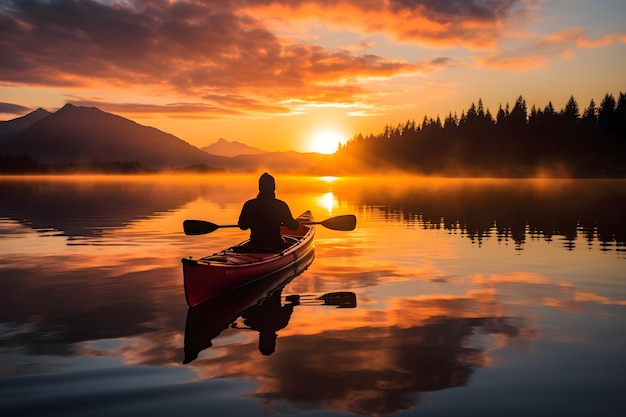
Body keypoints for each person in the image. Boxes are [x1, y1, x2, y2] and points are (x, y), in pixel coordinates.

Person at [238, 172, 300, 250]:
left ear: (259, 187)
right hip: (276, 244)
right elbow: (293, 227)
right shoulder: (280, 205)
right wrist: (297, 223)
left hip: (255, 243)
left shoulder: (249, 204)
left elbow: (242, 226)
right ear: (273, 188)